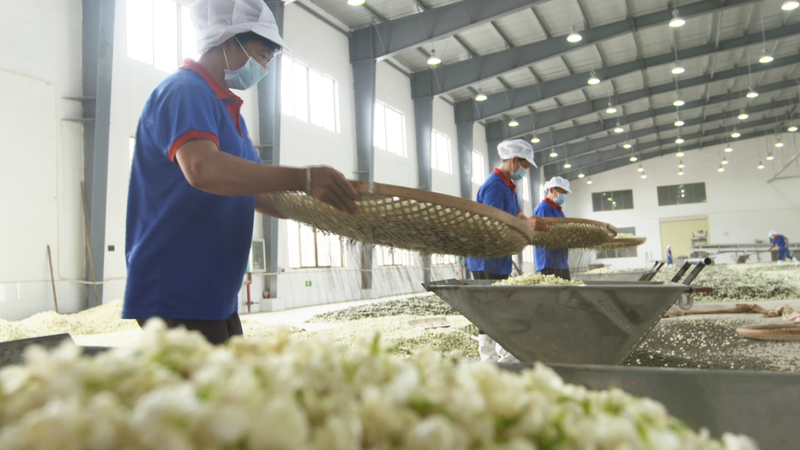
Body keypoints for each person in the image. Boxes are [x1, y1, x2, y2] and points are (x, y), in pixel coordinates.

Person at [123, 0, 360, 345]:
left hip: (211, 288)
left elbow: (257, 193)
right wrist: (305, 179)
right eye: (262, 55)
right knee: (209, 393)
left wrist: (328, 215)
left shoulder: (226, 109)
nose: (263, 67)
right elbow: (203, 168)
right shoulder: (186, 91)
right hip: (176, 284)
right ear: (227, 41)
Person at [464, 139, 546, 362]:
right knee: (489, 309)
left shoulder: (508, 186)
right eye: (525, 167)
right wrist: (523, 226)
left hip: (498, 257)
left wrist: (527, 220)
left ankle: (504, 353)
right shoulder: (495, 186)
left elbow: (516, 214)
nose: (525, 172)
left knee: (498, 306)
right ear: (514, 161)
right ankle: (489, 358)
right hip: (486, 258)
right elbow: (494, 223)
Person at [533, 176, 572, 280]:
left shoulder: (559, 210)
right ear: (551, 190)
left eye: (566, 193)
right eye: (562, 192)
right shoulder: (544, 207)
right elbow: (547, 233)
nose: (564, 195)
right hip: (549, 262)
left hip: (561, 261)